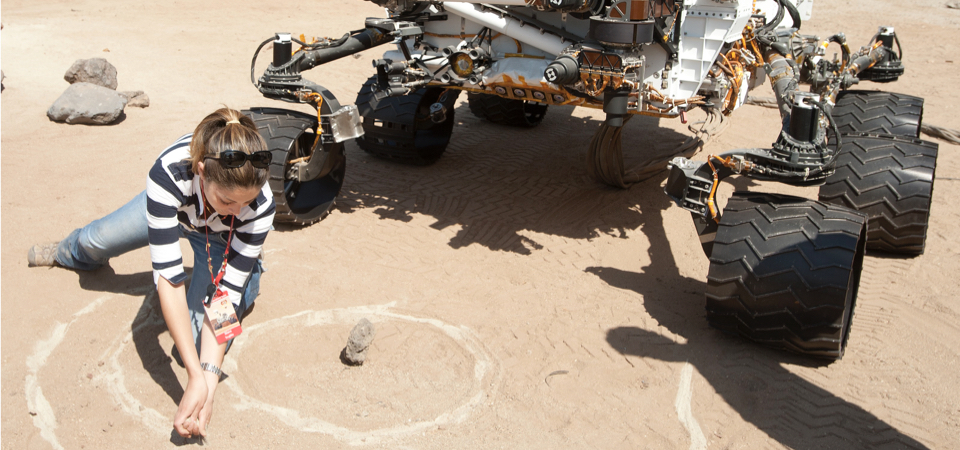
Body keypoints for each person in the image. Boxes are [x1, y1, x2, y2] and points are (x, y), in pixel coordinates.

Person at [28, 107, 276, 439]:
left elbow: (223, 302)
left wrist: (206, 383)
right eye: (228, 200)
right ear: (202, 171)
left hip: (218, 241)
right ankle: (69, 250)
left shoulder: (257, 208)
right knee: (95, 240)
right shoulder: (168, 174)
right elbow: (170, 280)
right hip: (175, 212)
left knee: (199, 340)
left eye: (247, 202)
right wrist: (191, 374)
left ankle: (248, 269)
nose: (237, 211)